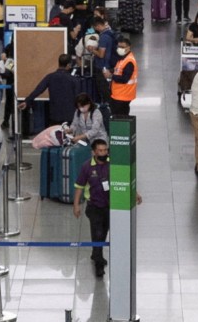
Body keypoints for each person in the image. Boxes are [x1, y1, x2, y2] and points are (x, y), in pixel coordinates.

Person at [73, 138, 142, 277]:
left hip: (111, 207)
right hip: (95, 207)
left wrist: (135, 193)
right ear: (94, 152)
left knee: (104, 233)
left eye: (105, 150)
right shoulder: (87, 167)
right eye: (100, 150)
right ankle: (99, 264)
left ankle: (95, 254)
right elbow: (79, 187)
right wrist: (76, 205)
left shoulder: (113, 163)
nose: (103, 153)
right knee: (97, 234)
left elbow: (124, 179)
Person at [19, 53, 79, 126]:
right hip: (69, 115)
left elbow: (38, 90)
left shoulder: (50, 77)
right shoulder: (73, 79)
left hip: (54, 115)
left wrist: (27, 101)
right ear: (68, 65)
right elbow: (78, 97)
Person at [105, 36, 137, 117]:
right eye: (118, 46)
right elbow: (118, 70)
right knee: (118, 118)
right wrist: (111, 71)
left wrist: (111, 76)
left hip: (123, 95)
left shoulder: (129, 61)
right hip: (118, 94)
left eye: (122, 47)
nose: (119, 48)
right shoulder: (123, 58)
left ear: (128, 47)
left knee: (120, 119)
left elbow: (124, 79)